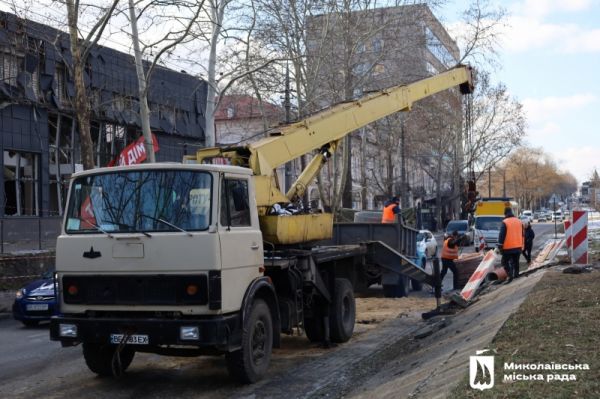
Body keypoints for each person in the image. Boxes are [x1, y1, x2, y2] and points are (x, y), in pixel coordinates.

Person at [497, 207, 524, 282]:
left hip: (508, 247)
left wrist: (500, 245)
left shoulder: (505, 222)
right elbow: (522, 234)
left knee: (504, 262)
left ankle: (510, 275)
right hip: (518, 246)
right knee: (516, 262)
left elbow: (501, 235)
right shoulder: (519, 221)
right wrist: (522, 245)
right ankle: (516, 274)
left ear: (505, 213)